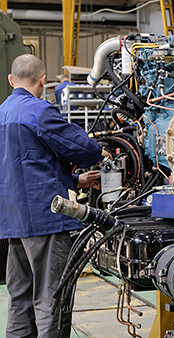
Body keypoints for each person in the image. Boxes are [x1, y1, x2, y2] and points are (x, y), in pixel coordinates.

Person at [0, 54, 106, 337]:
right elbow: (82, 148)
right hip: (45, 219)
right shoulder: (39, 111)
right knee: (52, 298)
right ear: (43, 81)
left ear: (11, 80)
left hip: (13, 221)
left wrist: (75, 180)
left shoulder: (1, 113)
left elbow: (21, 166)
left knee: (20, 298)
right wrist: (101, 151)